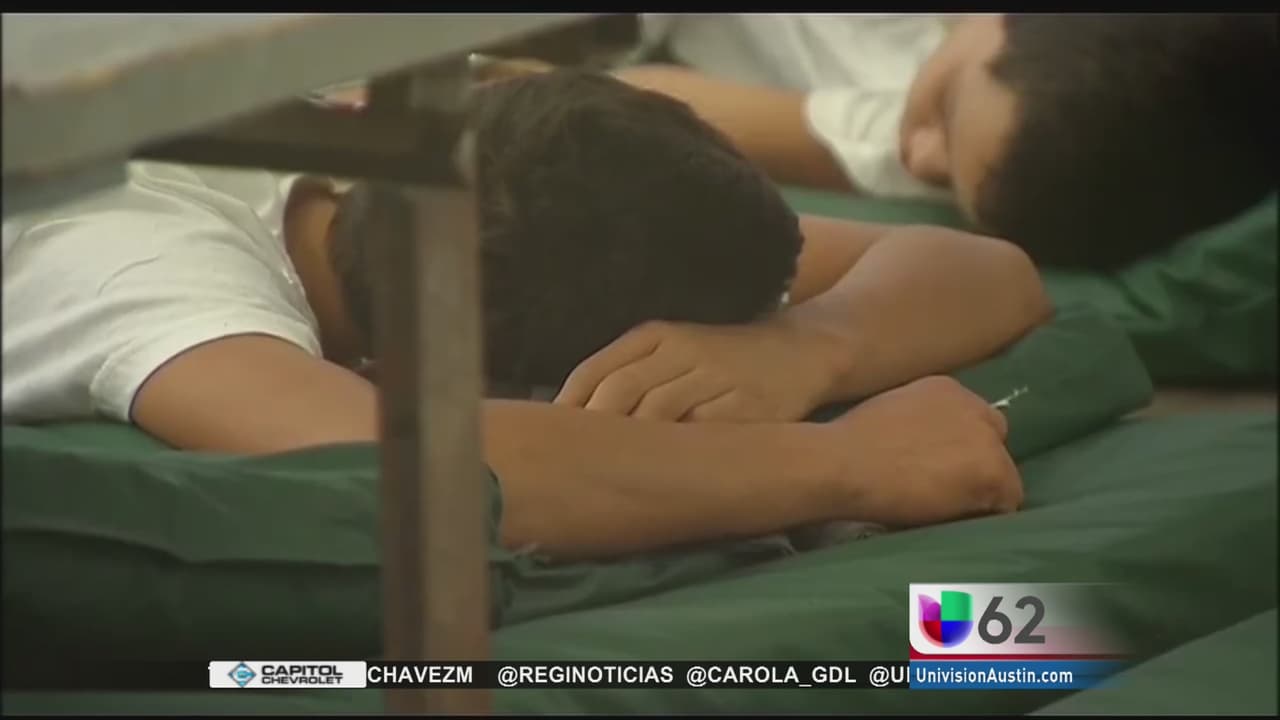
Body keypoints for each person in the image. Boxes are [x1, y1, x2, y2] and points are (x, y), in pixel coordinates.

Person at [2, 70, 1049, 561]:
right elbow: (396, 466)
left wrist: (806, 346)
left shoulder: (440, 158)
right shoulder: (142, 261)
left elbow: (987, 269)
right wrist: (845, 464)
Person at [614, 13, 1278, 270]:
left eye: (942, 182)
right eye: (946, 104)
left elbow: (631, 104)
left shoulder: (1011, 144)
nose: (917, 156)